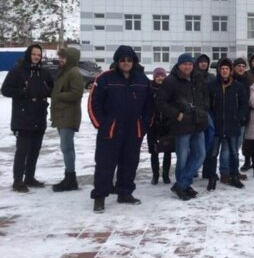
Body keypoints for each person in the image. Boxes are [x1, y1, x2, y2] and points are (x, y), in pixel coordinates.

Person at [88, 45, 153, 212]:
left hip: (133, 129)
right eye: (122, 60)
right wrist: (102, 125)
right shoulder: (105, 78)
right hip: (110, 130)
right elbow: (94, 103)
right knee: (105, 164)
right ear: (117, 61)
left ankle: (124, 192)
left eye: (129, 60)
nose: (126, 63)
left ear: (134, 61)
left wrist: (143, 125)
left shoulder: (142, 80)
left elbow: (150, 106)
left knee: (129, 163)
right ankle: (100, 196)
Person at [156, 53, 210, 201]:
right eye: (185, 64)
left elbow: (205, 96)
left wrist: (204, 109)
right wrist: (176, 114)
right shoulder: (171, 81)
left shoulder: (197, 78)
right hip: (181, 124)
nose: (188, 66)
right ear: (179, 65)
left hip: (198, 122)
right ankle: (184, 186)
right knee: (183, 157)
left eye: (190, 64)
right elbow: (160, 102)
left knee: (200, 154)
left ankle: (182, 184)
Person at [1, 44, 54, 192]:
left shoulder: (43, 72)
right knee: (22, 150)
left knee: (35, 150)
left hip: (39, 115)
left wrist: (48, 91)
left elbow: (52, 88)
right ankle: (18, 181)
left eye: (39, 55)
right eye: (34, 54)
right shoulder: (17, 70)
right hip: (23, 116)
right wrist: (22, 92)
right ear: (28, 54)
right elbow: (5, 90)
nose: (36, 57)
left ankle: (29, 177)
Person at [207, 58, 249, 190]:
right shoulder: (212, 86)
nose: (224, 71)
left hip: (232, 124)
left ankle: (234, 176)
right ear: (219, 71)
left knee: (233, 153)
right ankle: (212, 177)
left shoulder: (238, 86)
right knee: (213, 153)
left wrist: (239, 117)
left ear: (230, 71)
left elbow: (244, 104)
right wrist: (211, 119)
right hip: (216, 125)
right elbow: (206, 105)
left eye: (227, 69)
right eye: (222, 69)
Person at [50, 47, 85, 192]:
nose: (60, 59)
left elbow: (77, 93)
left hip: (69, 115)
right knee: (67, 148)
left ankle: (71, 179)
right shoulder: (64, 72)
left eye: (63, 57)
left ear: (70, 58)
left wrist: (59, 95)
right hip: (61, 114)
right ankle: (69, 177)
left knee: (66, 147)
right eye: (60, 57)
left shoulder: (74, 72)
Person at [147, 67, 173, 185]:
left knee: (167, 151)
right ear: (154, 77)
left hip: (167, 125)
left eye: (162, 76)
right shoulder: (149, 89)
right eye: (158, 76)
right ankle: (155, 175)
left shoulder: (168, 89)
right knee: (154, 151)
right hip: (153, 124)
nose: (160, 78)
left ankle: (166, 175)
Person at [232, 57, 252, 175]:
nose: (241, 68)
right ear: (234, 67)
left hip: (243, 118)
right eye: (239, 66)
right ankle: (229, 171)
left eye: (243, 66)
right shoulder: (230, 80)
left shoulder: (248, 80)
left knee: (237, 146)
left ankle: (234, 170)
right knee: (230, 147)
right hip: (230, 118)